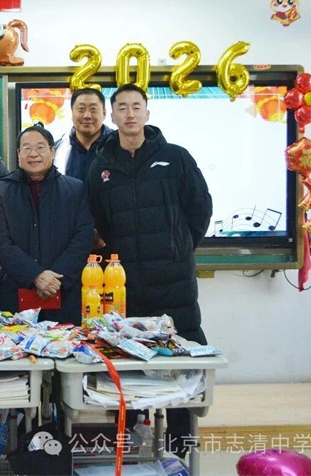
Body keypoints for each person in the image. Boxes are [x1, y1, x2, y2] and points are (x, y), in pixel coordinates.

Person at [86, 83, 213, 458]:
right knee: (126, 361)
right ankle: (129, 445)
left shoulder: (175, 158)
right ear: (112, 115)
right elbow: (98, 221)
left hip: (174, 279)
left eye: (136, 106)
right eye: (122, 107)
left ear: (147, 113)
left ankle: (180, 445)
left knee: (182, 359)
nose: (129, 114)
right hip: (125, 283)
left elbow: (200, 208)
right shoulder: (101, 167)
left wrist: (179, 246)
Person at [0, 124, 94, 324]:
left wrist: (54, 280)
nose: (33, 154)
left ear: (52, 151)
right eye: (26, 148)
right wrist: (35, 275)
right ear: (18, 154)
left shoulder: (75, 190)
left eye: (40, 147)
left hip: (64, 293)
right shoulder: (1, 191)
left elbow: (83, 238)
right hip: (14, 294)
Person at [53, 88, 114, 183]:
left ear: (104, 113)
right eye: (81, 109)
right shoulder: (57, 149)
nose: (87, 116)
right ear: (72, 112)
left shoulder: (118, 144)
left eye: (93, 109)